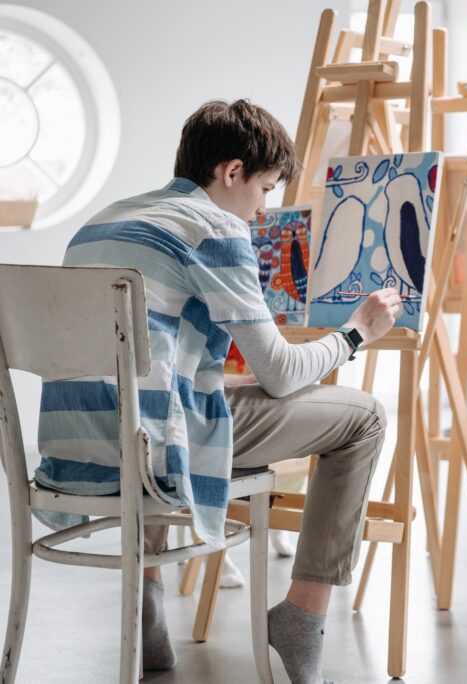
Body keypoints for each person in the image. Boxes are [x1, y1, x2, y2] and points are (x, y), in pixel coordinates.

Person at [34, 99, 401, 683]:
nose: (262, 212)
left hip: (76, 448)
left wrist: (228, 379)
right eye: (265, 189)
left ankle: (148, 602)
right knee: (366, 417)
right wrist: (358, 332)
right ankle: (302, 617)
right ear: (231, 173)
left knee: (159, 399)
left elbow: (142, 360)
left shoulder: (104, 219)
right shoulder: (216, 227)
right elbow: (281, 374)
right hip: (155, 450)